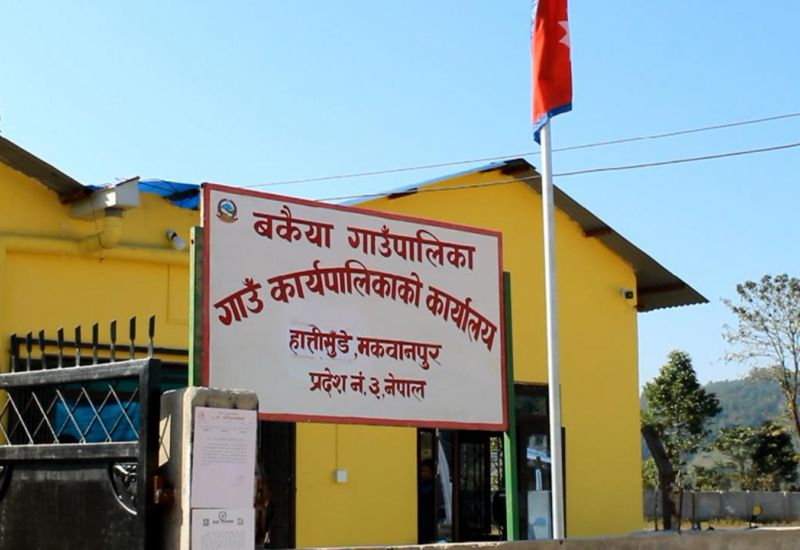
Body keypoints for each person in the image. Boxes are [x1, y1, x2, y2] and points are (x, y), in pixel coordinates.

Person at [418, 458, 436, 543]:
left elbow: (424, 492)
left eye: (425, 471)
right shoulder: (422, 484)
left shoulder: (433, 486)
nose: (422, 473)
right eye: (421, 471)